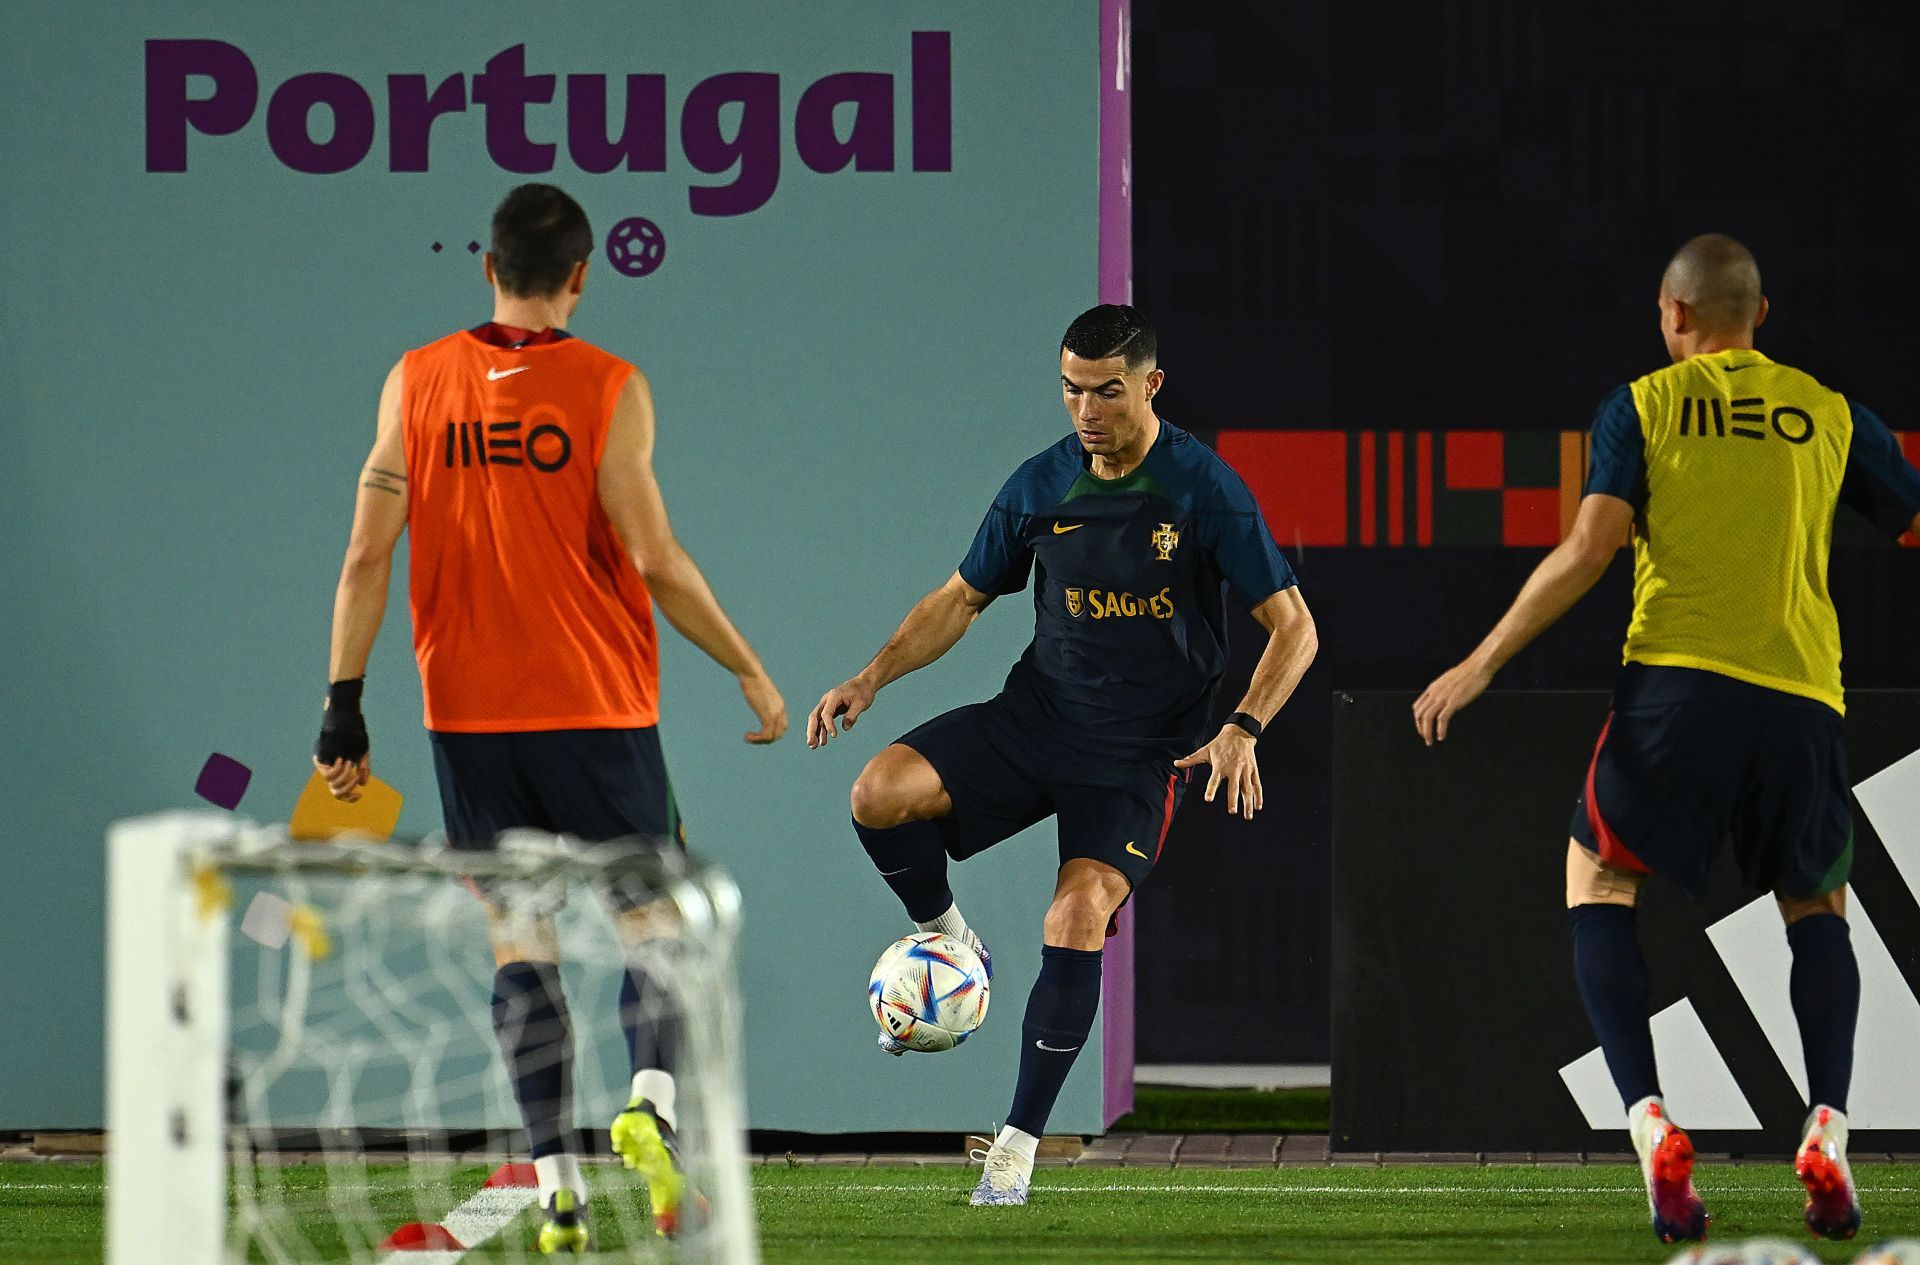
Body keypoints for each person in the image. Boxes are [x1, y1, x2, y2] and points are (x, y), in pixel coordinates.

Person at [1414, 234, 1920, 1245]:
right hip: (1801, 699)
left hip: (1677, 690)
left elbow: (1590, 548)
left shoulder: (1642, 405)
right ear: (1758, 316)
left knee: (1597, 877)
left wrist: (1478, 663)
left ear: (1675, 315)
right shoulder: (1825, 409)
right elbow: (1901, 511)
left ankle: (1649, 1121)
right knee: (1816, 902)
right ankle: (1826, 1122)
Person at [312, 183, 787, 1252]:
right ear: (582, 274)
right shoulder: (610, 385)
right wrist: (749, 667)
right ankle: (652, 1106)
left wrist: (344, 705)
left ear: (487, 265)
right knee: (650, 922)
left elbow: (364, 555)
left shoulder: (416, 378)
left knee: (518, 937)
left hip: (467, 716)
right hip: (596, 705)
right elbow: (656, 559)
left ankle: (559, 1177)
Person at [807, 304, 1318, 1206]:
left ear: (1151, 386)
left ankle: (1015, 1144)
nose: (1087, 410)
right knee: (878, 791)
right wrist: (871, 677)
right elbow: (959, 600)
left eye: (1108, 392)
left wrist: (1243, 726)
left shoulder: (1203, 489)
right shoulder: (1040, 484)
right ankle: (953, 940)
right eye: (1073, 391)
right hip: (1037, 717)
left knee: (1075, 917)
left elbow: (1294, 628)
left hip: (1138, 753)